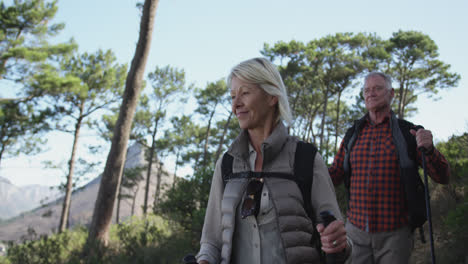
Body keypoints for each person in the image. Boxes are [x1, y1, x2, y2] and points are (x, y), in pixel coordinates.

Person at [195, 57, 351, 264]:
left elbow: (341, 245)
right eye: (232, 96)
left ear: (272, 96)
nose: (235, 104)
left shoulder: (306, 158)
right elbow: (211, 242)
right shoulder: (227, 164)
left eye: (245, 93)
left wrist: (337, 244)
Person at [328, 72, 450, 264]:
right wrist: (310, 166)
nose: (371, 93)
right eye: (366, 90)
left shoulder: (409, 132)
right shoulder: (353, 134)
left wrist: (430, 150)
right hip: (355, 233)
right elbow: (334, 174)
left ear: (391, 93)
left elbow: (443, 176)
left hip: (396, 235)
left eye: (377, 88)